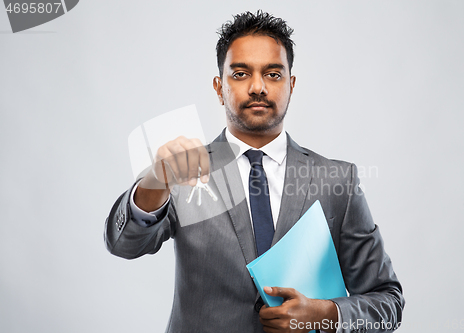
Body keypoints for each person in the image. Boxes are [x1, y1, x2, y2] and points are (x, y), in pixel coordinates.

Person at [104, 10, 404, 333]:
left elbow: (388, 305)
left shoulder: (337, 181)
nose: (258, 87)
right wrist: (154, 182)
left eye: (273, 74)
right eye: (241, 73)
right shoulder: (181, 172)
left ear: (291, 85)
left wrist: (327, 315)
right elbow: (124, 245)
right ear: (219, 88)